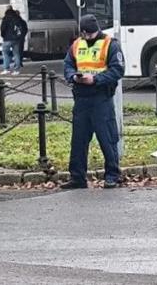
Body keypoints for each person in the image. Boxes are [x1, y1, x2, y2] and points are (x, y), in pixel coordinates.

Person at [61, 14, 125, 189]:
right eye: (85, 34)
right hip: (81, 97)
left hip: (101, 97)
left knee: (107, 138)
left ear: (97, 30)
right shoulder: (76, 44)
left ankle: (112, 175)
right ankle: (77, 177)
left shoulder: (110, 44)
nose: (88, 36)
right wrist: (73, 76)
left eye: (91, 33)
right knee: (78, 140)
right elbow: (67, 64)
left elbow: (117, 70)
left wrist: (96, 79)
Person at [0, 8, 21, 75]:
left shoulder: (5, 18)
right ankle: (16, 70)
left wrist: (3, 36)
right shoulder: (17, 18)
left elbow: (2, 29)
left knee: (5, 54)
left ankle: (6, 69)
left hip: (7, 39)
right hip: (16, 39)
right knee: (16, 54)